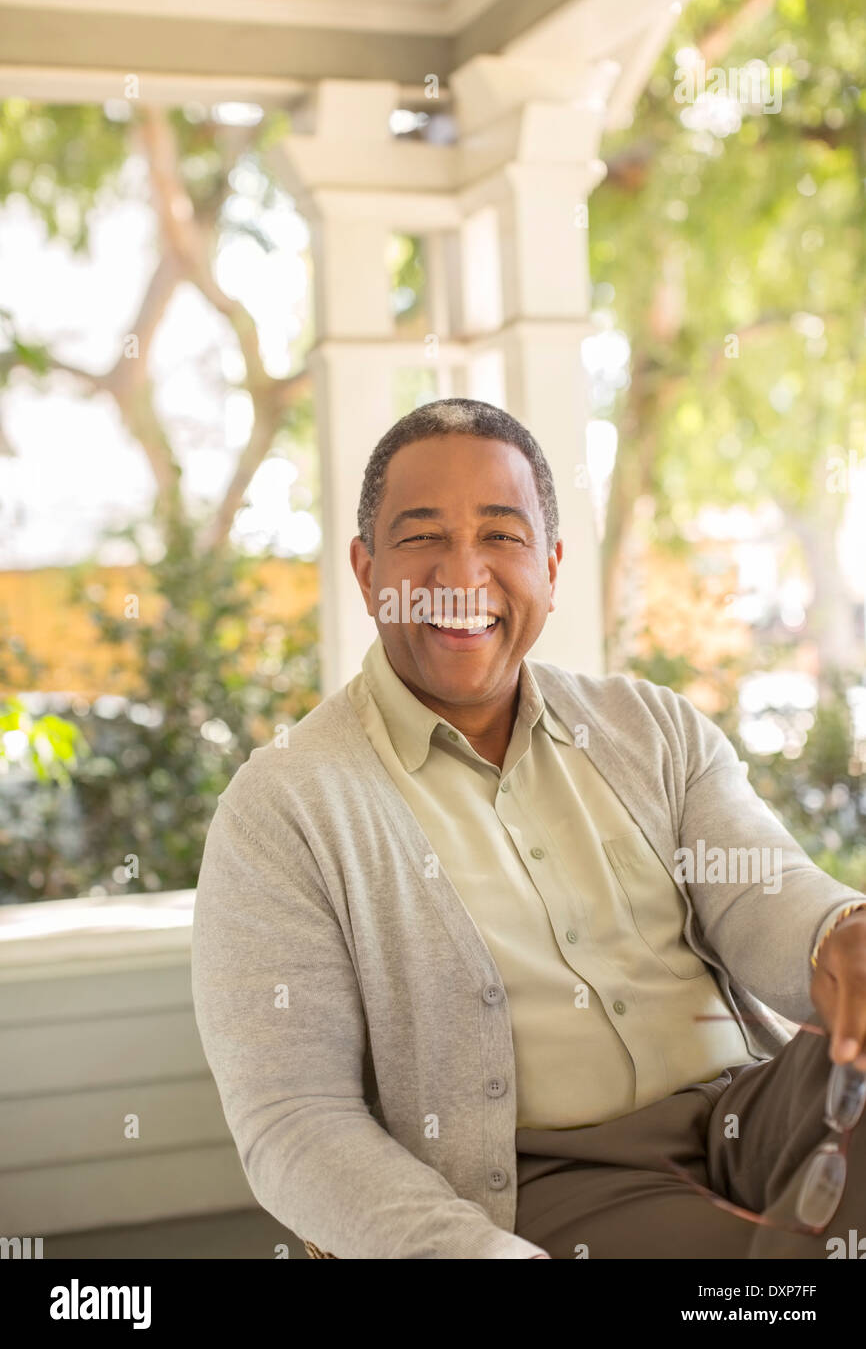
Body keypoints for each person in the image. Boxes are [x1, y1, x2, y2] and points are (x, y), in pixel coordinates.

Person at [191, 397, 866, 1259]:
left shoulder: (651, 727)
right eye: (423, 536)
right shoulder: (285, 807)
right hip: (547, 1189)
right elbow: (293, 1120)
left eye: (502, 536)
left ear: (550, 565)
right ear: (366, 573)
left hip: (758, 1114)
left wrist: (841, 932)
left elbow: (770, 896)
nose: (464, 573)